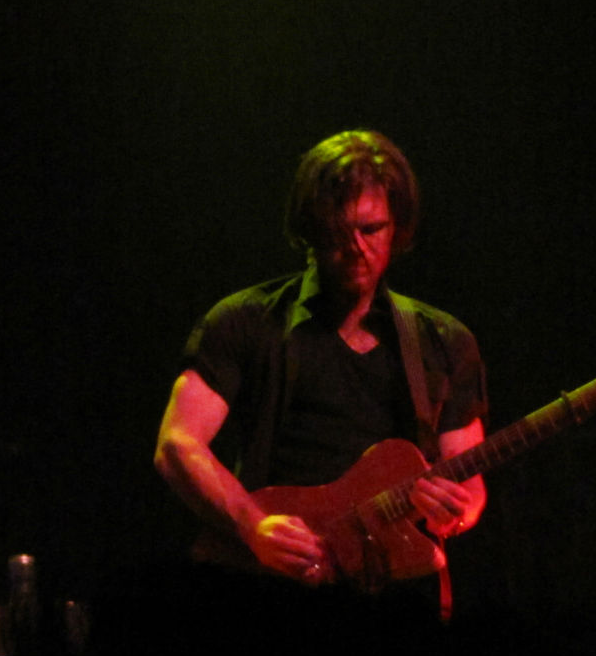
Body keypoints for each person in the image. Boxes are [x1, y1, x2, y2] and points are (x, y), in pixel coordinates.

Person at [153, 130, 487, 654]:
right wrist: (253, 527)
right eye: (338, 230)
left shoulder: (443, 340)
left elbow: (469, 481)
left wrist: (455, 511)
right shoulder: (244, 322)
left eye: (372, 229)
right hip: (270, 600)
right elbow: (177, 444)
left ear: (397, 227)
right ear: (309, 229)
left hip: (394, 607)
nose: (356, 248)